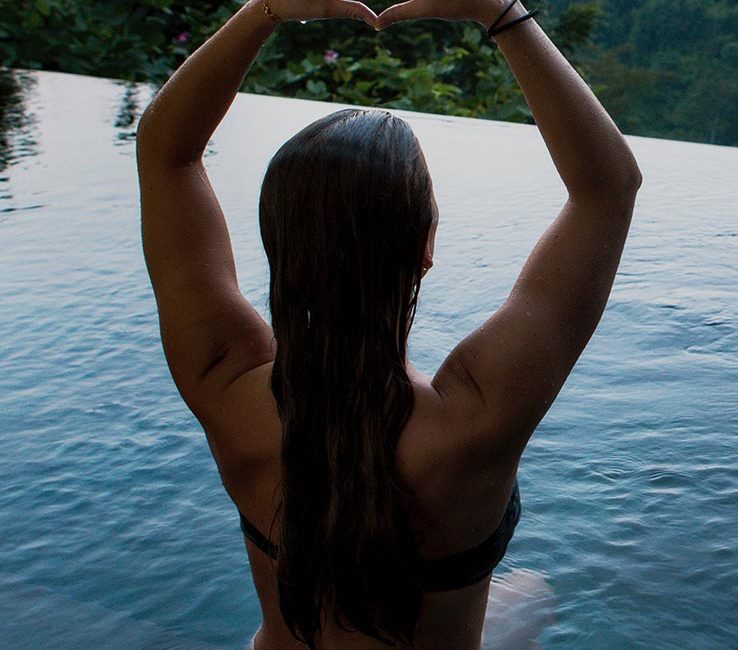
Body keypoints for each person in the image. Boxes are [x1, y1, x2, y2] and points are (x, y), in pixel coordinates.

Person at [135, 0, 641, 647]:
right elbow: (608, 188)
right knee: (535, 592)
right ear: (425, 249)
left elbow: (164, 150)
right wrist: (500, 12)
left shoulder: (225, 382)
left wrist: (264, 11)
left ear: (279, 248)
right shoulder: (477, 419)